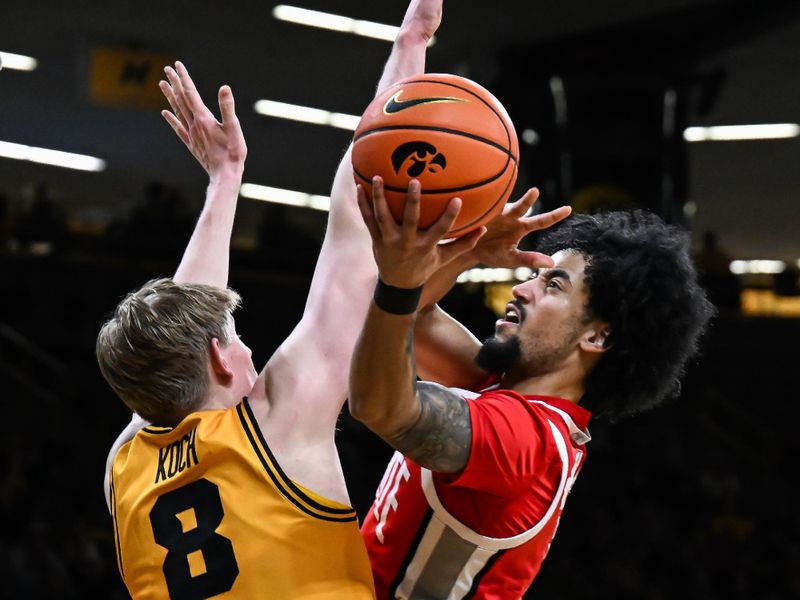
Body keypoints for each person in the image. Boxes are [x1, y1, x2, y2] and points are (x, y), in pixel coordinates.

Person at [94, 0, 452, 591]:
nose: (245, 348)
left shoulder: (126, 464)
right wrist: (410, 44)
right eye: (233, 338)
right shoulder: (279, 423)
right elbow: (352, 229)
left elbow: (179, 332)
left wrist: (225, 181)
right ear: (217, 357)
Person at [349, 181, 715, 594]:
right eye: (535, 277)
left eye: (553, 286)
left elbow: (380, 406)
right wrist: (472, 249)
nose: (521, 290)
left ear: (597, 338)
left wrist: (400, 283)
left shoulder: (527, 441)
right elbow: (407, 315)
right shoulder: (505, 391)